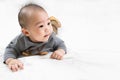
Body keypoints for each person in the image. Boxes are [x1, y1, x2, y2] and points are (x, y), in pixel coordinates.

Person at [4, 3, 67, 72]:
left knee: (53, 30)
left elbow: (61, 44)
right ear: (26, 32)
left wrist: (60, 51)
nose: (47, 29)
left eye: (48, 23)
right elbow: (10, 49)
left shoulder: (51, 37)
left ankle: (53, 23)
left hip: (52, 34)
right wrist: (11, 60)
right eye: (41, 26)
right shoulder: (21, 40)